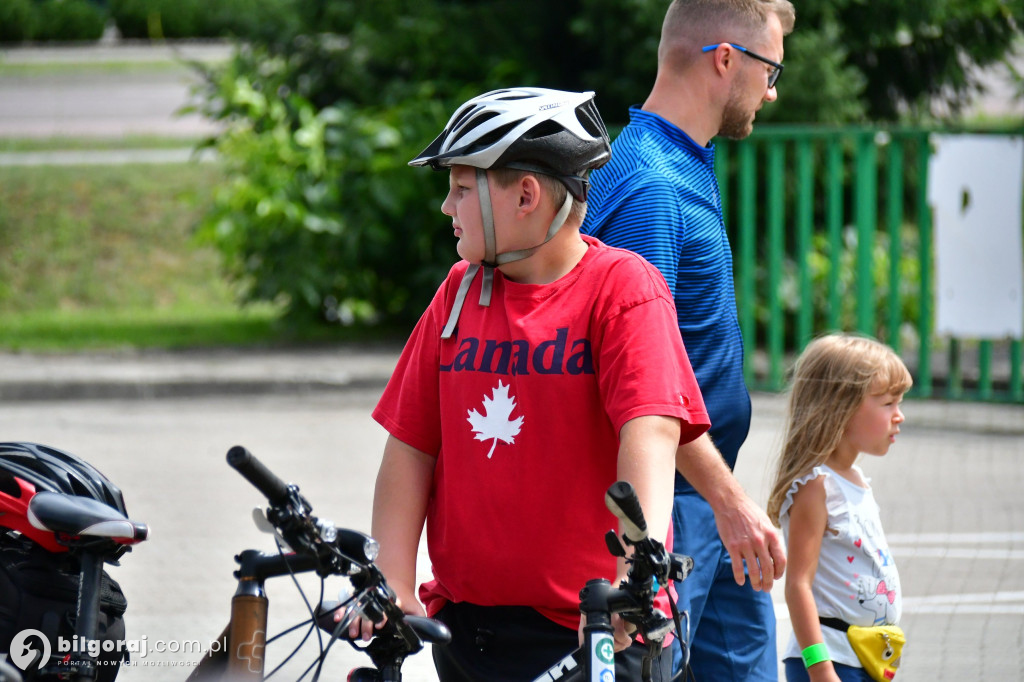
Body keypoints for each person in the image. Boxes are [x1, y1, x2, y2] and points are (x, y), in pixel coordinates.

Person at [352, 87, 714, 681]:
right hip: (470, 632)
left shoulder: (621, 290)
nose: (447, 207)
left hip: (594, 631)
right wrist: (391, 581)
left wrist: (634, 576)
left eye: (462, 189)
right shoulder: (461, 290)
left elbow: (648, 436)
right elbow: (412, 444)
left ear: (526, 195)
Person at [580, 0, 795, 678]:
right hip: (677, 512)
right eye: (770, 69)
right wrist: (730, 502)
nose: (773, 89)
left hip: (708, 501)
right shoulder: (652, 189)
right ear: (725, 59)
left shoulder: (675, 161)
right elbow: (638, 386)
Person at [767, 333, 910, 681]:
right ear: (840, 407)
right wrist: (819, 668)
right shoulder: (817, 486)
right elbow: (798, 585)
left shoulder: (855, 478)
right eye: (888, 403)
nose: (899, 416)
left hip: (865, 657)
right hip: (832, 662)